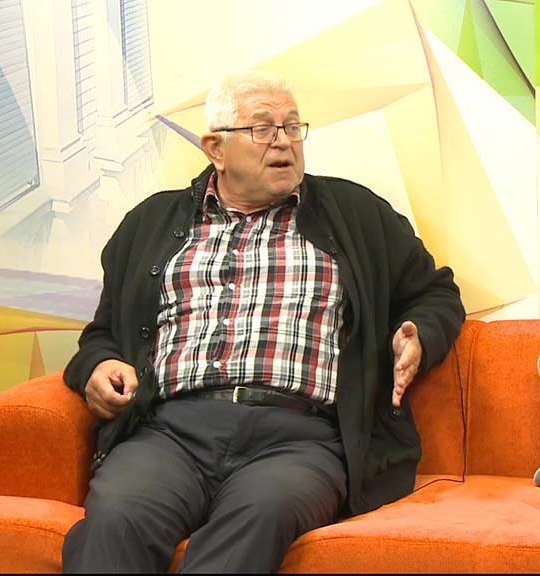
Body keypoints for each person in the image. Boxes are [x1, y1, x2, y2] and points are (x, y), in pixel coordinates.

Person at [60, 69, 465, 573]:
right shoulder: (151, 223)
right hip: (170, 433)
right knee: (118, 516)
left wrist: (420, 335)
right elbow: (101, 335)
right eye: (262, 128)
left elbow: (436, 292)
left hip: (299, 440)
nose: (284, 141)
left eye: (293, 127)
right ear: (216, 148)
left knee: (260, 514)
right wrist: (98, 366)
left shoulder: (355, 214)